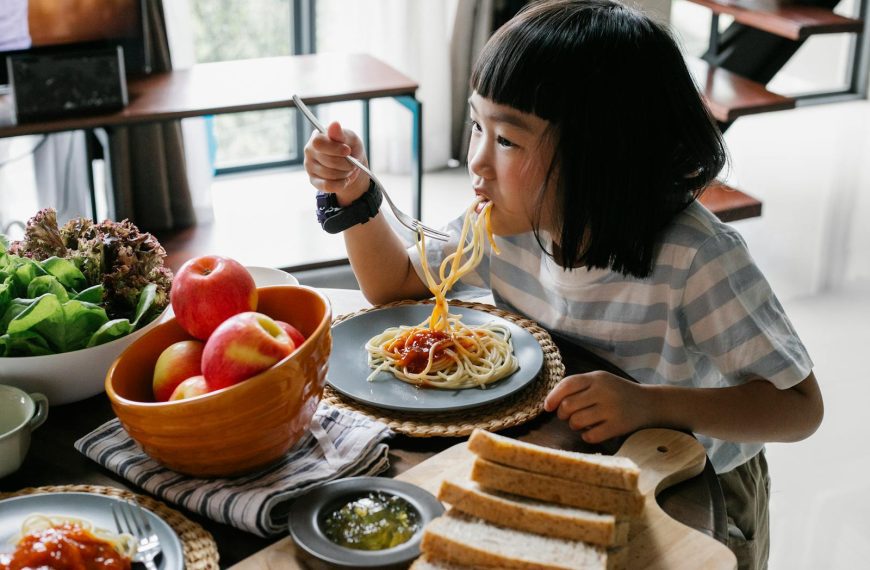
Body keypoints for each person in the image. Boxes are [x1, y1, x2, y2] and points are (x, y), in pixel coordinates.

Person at [302, 1, 823, 568]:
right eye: (479, 124)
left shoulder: (696, 258)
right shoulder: (507, 224)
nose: (475, 161)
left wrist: (650, 405)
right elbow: (396, 285)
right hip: (571, 454)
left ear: (600, 156)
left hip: (694, 476)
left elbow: (798, 407)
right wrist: (352, 195)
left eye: (508, 140)